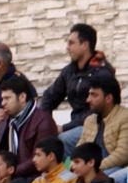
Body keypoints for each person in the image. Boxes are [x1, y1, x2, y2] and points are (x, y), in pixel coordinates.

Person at [41, 22, 115, 154]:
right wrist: (46, 125)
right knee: (43, 141)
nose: (67, 47)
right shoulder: (69, 71)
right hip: (75, 125)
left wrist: (65, 127)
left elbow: (97, 111)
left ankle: (71, 168)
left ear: (85, 45)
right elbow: (49, 97)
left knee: (63, 141)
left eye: (71, 43)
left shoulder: (102, 72)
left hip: (99, 126)